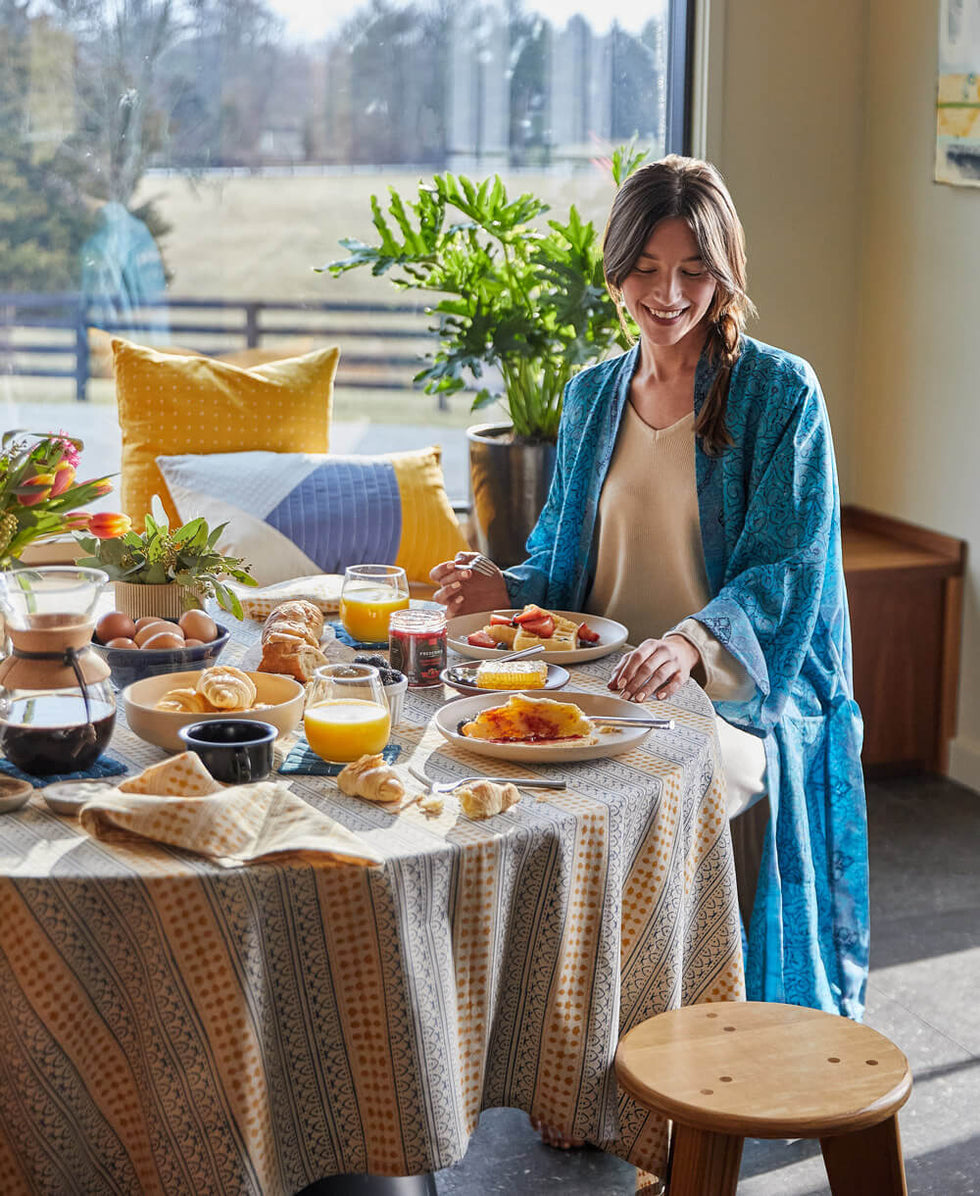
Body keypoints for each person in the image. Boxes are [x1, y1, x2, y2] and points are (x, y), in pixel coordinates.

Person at [430, 156, 869, 1040]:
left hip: (731, 702)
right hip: (596, 687)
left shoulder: (782, 394)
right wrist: (502, 587)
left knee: (633, 804)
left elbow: (788, 567)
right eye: (648, 269)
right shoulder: (594, 394)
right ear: (617, 268)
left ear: (725, 271)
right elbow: (560, 553)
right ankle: (548, 1045)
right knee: (466, 778)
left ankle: (669, 1064)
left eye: (694, 271)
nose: (669, 294)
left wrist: (691, 644)